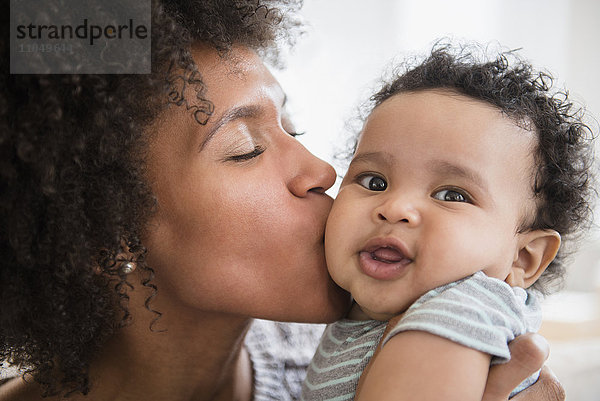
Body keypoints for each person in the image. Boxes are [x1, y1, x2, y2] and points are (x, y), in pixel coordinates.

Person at [0, 0, 567, 399]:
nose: (323, 171)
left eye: (292, 128)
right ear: (108, 229)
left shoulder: (386, 332)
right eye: (245, 148)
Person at [301, 44, 595, 401]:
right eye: (374, 182)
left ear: (523, 258)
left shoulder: (458, 310)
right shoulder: (366, 317)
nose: (395, 208)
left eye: (452, 195)